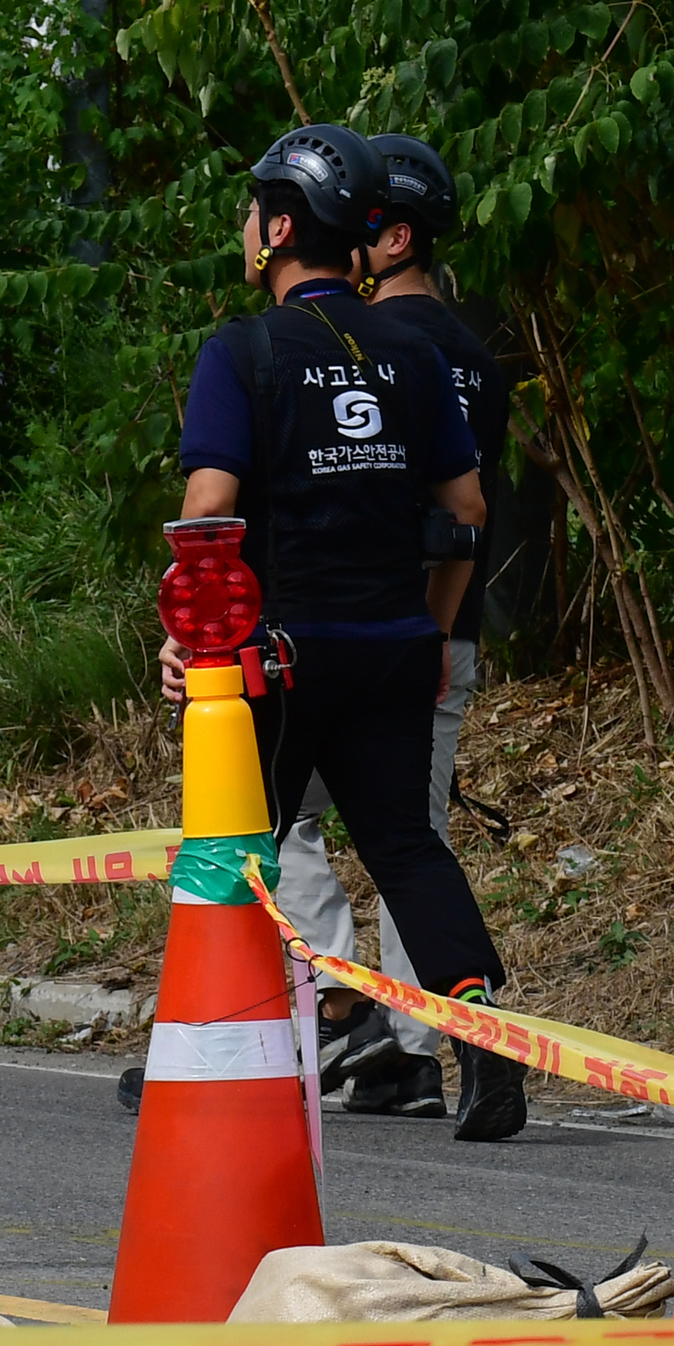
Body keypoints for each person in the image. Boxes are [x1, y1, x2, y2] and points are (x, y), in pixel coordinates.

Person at [152, 123, 527, 1143]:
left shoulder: (242, 351)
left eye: (250, 216)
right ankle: (485, 1049)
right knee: (406, 846)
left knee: (234, 846)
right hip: (396, 641)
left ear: (277, 229)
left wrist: (189, 624)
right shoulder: (409, 351)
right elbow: (466, 501)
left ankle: (196, 1051)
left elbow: (209, 504)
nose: (244, 231)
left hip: (279, 650)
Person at [275, 132, 512, 1131]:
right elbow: (467, 510)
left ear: (392, 236)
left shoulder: (373, 350)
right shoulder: (467, 358)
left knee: (260, 826)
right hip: (422, 638)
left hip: (353, 630)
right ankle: (426, 1046)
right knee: (413, 843)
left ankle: (347, 1013)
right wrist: (432, 635)